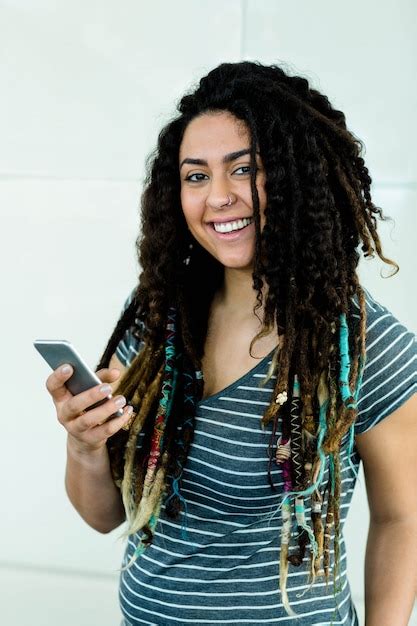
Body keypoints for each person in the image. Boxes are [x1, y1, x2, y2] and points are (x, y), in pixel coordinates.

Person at [45, 61, 417, 625]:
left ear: (297, 178)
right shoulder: (157, 319)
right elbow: (105, 516)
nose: (218, 197)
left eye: (243, 170)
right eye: (196, 176)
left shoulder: (363, 343)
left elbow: (400, 520)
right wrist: (84, 445)